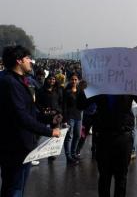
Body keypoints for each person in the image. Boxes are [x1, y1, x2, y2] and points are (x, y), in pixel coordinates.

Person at [0, 45, 61, 197]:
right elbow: (22, 116)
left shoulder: (18, 80)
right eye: (27, 58)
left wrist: (49, 118)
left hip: (21, 145)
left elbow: (30, 111)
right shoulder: (10, 82)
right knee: (14, 188)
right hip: (15, 146)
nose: (30, 62)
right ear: (19, 61)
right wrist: (49, 131)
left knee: (17, 186)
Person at [63, 73, 84, 164]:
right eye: (72, 79)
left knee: (78, 136)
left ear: (78, 80)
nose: (74, 81)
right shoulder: (66, 91)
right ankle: (68, 156)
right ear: (70, 80)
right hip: (69, 117)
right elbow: (63, 105)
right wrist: (64, 119)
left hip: (78, 116)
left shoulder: (80, 90)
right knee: (69, 137)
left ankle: (73, 153)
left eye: (76, 79)